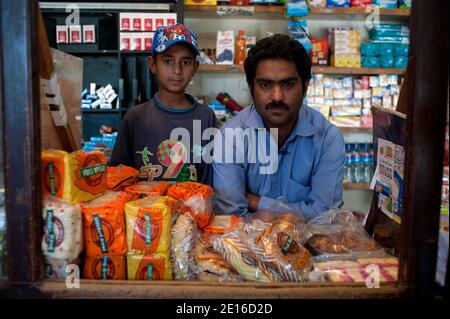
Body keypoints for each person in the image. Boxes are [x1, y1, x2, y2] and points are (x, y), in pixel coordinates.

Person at [213, 34, 345, 220]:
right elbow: (230, 218)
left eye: (288, 84)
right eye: (265, 85)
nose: (277, 96)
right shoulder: (230, 137)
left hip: (309, 247)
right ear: (251, 88)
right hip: (243, 249)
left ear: (305, 87)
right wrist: (300, 211)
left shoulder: (327, 138)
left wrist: (257, 202)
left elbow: (326, 216)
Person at [110, 24, 216, 185]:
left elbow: (209, 181)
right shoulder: (135, 117)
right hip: (142, 209)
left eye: (186, 62)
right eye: (168, 61)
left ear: (195, 67)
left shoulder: (206, 116)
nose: (177, 70)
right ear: (153, 64)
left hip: (192, 208)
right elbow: (117, 178)